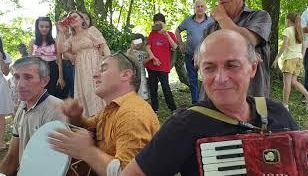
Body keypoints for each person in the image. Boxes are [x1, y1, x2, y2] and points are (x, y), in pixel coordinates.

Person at [120, 29, 298, 176]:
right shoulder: (184, 125)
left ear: (252, 68)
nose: (220, 78)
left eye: (231, 65)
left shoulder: (277, 112)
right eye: (209, 68)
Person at [48, 53, 160, 176]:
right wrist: (75, 117)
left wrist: (88, 152)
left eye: (104, 69)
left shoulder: (132, 113)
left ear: (125, 75)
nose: (95, 75)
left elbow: (129, 173)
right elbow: (87, 127)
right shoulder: (112, 109)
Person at [0, 57, 65, 175]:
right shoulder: (23, 107)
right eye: (16, 77)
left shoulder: (56, 110)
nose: (20, 84)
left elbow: (52, 166)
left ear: (44, 81)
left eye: (28, 77)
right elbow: (12, 156)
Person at [201, 0, 272, 98]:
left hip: (252, 96)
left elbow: (248, 40)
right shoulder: (211, 27)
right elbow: (197, 58)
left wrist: (222, 18)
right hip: (214, 100)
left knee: (256, 112)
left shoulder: (260, 16)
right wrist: (245, 55)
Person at [57, 10, 111, 116]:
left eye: (75, 17)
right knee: (85, 93)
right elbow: (60, 49)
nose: (72, 19)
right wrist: (61, 32)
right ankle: (90, 122)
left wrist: (107, 65)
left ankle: (104, 117)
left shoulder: (91, 30)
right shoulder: (71, 38)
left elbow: (104, 47)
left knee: (97, 90)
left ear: (82, 19)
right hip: (81, 69)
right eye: (70, 18)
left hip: (95, 65)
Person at [272, 12, 308, 111]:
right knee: (293, 81)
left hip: (290, 58)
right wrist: (301, 58)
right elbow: (304, 46)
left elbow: (284, 46)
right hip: (298, 58)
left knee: (287, 83)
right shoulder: (300, 31)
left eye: (285, 19)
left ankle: (285, 105)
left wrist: (277, 58)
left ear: (288, 20)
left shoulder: (287, 30)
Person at [175, 0, 213, 104]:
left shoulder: (211, 21)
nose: (200, 8)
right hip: (189, 54)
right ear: (194, 8)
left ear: (205, 8)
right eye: (198, 6)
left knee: (208, 78)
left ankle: (208, 102)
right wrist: (181, 44)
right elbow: (177, 31)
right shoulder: (187, 21)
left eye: (202, 6)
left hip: (206, 56)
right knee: (193, 80)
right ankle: (195, 103)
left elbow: (217, 35)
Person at [145, 13, 177, 113]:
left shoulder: (170, 34)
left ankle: (173, 109)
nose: (158, 25)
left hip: (163, 67)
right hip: (152, 66)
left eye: (160, 23)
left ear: (164, 23)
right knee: (153, 88)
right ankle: (155, 110)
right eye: (156, 23)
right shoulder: (152, 34)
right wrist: (153, 58)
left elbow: (175, 47)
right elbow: (147, 47)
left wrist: (166, 34)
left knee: (166, 88)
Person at [29, 16, 65, 98]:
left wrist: (61, 77)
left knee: (52, 95)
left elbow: (59, 60)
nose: (44, 29)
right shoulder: (32, 42)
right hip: (37, 71)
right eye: (41, 26)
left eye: (47, 27)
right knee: (38, 96)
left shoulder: (54, 41)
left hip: (52, 71)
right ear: (37, 27)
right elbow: (29, 62)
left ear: (50, 28)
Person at [127, 33, 151, 100]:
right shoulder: (130, 51)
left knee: (143, 92)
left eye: (139, 42)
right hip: (133, 76)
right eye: (135, 42)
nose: (137, 44)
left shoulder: (145, 52)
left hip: (142, 76)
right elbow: (129, 57)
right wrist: (131, 47)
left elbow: (144, 62)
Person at [0, 37, 13, 150]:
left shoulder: (5, 55)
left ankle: (1, 141)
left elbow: (6, 72)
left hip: (0, 84)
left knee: (0, 115)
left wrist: (1, 59)